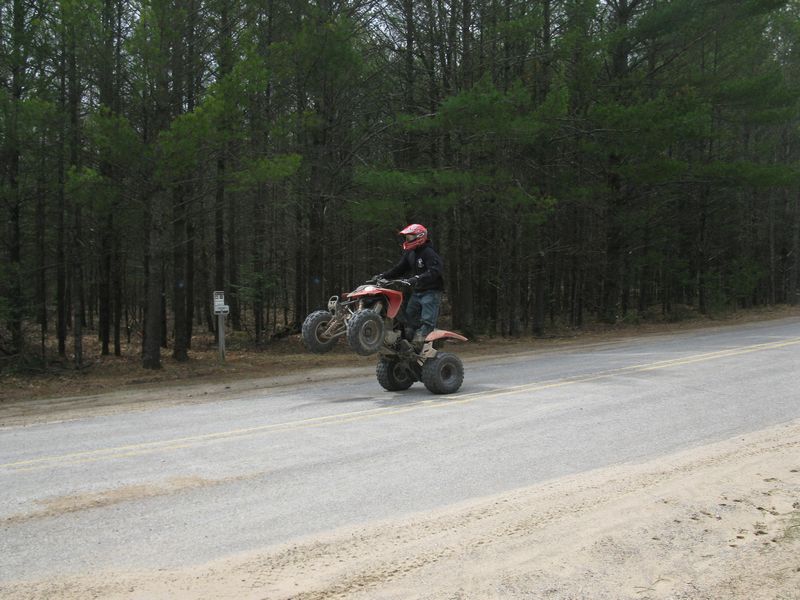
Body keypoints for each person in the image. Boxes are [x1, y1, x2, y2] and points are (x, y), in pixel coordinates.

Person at [376, 224, 444, 344]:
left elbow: (435, 270)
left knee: (427, 320)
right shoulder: (411, 253)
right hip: (418, 291)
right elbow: (399, 268)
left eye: (410, 237)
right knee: (409, 319)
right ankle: (409, 345)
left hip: (431, 291)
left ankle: (423, 344)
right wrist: (383, 276)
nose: (407, 240)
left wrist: (417, 278)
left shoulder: (428, 252)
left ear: (420, 236)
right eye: (406, 238)